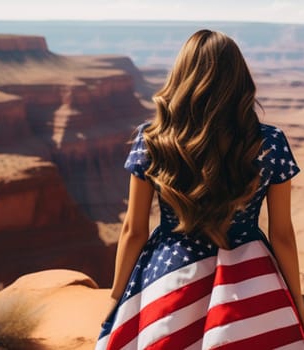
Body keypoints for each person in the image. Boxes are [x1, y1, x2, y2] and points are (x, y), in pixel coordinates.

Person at [95, 29, 304, 349]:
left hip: (168, 273)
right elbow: (283, 235)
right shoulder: (270, 142)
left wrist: (115, 299)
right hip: (248, 273)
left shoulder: (152, 139)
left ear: (182, 77)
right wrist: (296, 303)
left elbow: (133, 230)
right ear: (240, 81)